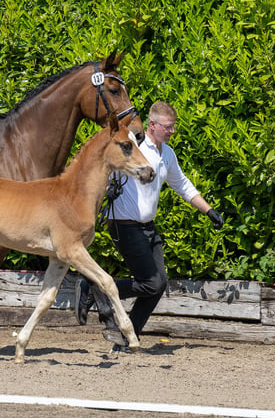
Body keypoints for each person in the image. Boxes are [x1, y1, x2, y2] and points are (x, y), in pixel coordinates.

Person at [74, 101, 224, 351]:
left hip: (147, 228)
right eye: (168, 127)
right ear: (152, 125)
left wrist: (208, 210)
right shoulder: (134, 147)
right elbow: (106, 164)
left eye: (173, 127)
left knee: (158, 285)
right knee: (151, 283)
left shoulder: (167, 154)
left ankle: (126, 336)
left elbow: (183, 185)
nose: (172, 132)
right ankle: (95, 286)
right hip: (124, 225)